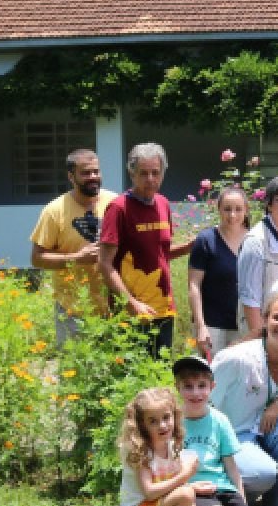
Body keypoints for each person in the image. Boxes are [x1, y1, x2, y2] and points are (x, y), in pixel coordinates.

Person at [210, 291, 278, 506]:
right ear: (265, 319)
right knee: (263, 474)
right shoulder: (236, 358)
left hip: (264, 432)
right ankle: (221, 492)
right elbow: (204, 402)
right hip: (233, 437)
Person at [99, 142, 191, 358]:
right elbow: (104, 262)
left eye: (155, 173)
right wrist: (130, 303)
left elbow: (158, 254)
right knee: (132, 377)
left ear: (163, 173)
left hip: (163, 307)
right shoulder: (119, 208)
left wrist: (188, 247)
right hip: (131, 312)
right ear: (132, 173)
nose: (150, 179)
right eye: (143, 173)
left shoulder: (163, 204)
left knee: (161, 373)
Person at [173, 355, 262, 506]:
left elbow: (230, 465)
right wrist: (188, 487)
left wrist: (242, 498)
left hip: (222, 487)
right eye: (188, 386)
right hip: (194, 490)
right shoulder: (173, 423)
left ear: (212, 387)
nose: (196, 393)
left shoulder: (220, 420)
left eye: (201, 385)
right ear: (178, 388)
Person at [116, 387, 210, 506]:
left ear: (174, 416)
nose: (162, 426)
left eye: (166, 418)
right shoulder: (139, 450)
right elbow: (149, 492)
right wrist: (185, 475)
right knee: (186, 492)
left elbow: (182, 489)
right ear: (142, 425)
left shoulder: (172, 446)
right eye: (153, 421)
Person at [30, 149, 116, 345]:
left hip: (114, 307)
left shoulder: (115, 203)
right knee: (74, 371)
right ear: (71, 176)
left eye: (96, 171)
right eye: (86, 173)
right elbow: (37, 258)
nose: (93, 177)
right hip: (72, 311)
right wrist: (77, 258)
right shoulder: (54, 211)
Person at [188, 185, 249, 359]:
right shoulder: (206, 240)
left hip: (245, 327)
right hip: (212, 327)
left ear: (246, 210)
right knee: (209, 379)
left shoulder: (254, 239)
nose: (232, 215)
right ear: (219, 209)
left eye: (238, 209)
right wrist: (200, 326)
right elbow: (194, 285)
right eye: (227, 209)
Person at [237, 175, 278, 334]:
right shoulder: (255, 241)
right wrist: (261, 340)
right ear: (269, 204)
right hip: (262, 327)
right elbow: (250, 299)